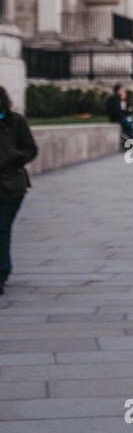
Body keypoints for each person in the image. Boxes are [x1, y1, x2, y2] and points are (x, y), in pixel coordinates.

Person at [0, 87, 38, 296]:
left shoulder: (15, 122)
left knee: (1, 229)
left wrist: (11, 157)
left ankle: (2, 273)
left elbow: (30, 149)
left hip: (12, 187)